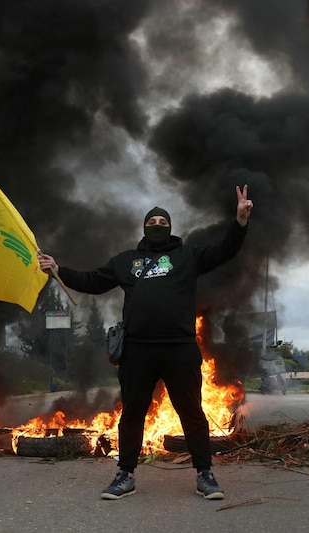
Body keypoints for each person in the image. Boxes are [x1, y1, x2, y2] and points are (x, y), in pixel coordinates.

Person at [38, 185, 253, 500]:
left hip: (179, 348)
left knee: (191, 412)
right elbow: (93, 281)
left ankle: (205, 475)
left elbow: (224, 251)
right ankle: (125, 475)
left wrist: (240, 223)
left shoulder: (188, 256)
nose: (157, 226)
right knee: (133, 413)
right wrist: (58, 270)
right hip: (138, 349)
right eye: (152, 222)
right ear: (144, 228)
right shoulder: (126, 261)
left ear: (170, 227)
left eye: (162, 222)